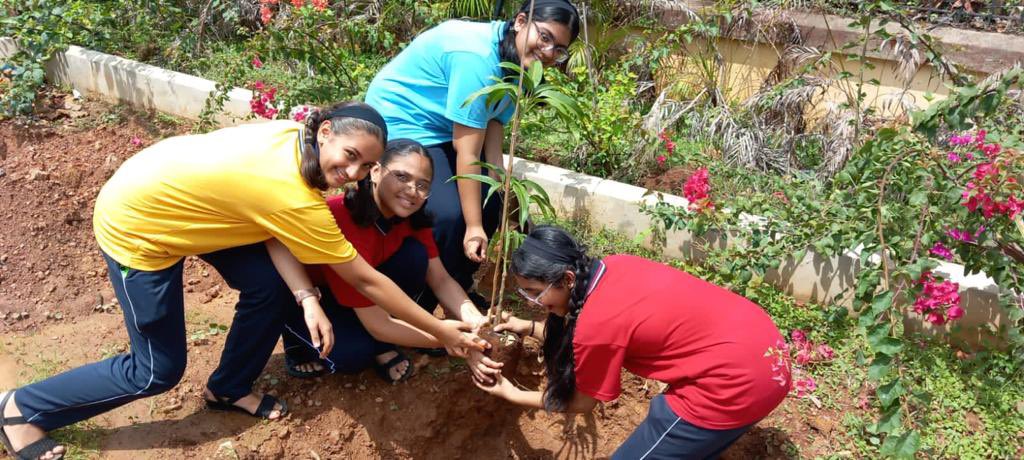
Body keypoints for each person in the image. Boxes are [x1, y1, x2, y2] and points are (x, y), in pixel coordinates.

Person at [0, 102, 481, 460]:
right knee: (155, 371)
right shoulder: (292, 196)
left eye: (362, 167)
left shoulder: (296, 139)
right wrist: (440, 332)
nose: (350, 174)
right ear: (327, 131)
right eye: (349, 156)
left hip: (192, 204)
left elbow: (271, 226)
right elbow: (366, 281)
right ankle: (22, 408)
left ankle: (228, 388)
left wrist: (304, 296)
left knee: (269, 285)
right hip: (140, 227)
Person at [473, 226, 791, 459]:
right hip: (768, 353)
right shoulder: (613, 266)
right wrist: (526, 326)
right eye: (524, 293)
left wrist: (512, 393)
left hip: (736, 384)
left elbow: (583, 403)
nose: (531, 301)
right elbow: (591, 337)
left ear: (567, 279)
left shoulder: (597, 326)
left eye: (534, 291)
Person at [364, 0, 582, 313]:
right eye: (544, 37)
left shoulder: (517, 62)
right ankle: (417, 305)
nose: (548, 53)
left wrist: (498, 186)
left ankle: (454, 287)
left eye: (558, 49)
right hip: (404, 121)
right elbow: (466, 151)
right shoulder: (477, 58)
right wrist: (474, 227)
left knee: (491, 199)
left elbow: (493, 124)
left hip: (445, 125)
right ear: (521, 21)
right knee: (448, 214)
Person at [281, 139, 502, 383]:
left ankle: (381, 343)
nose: (412, 190)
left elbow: (440, 279)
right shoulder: (343, 220)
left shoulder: (411, 217)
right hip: (314, 297)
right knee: (354, 355)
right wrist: (451, 338)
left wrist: (475, 320)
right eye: (401, 176)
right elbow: (378, 323)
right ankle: (296, 343)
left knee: (415, 256)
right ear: (375, 171)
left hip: (362, 292)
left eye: (422, 184)